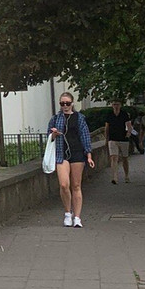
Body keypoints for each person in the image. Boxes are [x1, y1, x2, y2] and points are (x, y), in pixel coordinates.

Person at [48, 92, 94, 228]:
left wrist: (89, 155)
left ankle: (77, 217)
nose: (65, 106)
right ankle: (68, 213)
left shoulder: (79, 118)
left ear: (72, 103)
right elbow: (48, 138)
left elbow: (85, 136)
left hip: (77, 153)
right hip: (61, 153)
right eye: (62, 103)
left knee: (76, 185)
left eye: (67, 103)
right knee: (64, 184)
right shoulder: (56, 119)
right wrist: (54, 134)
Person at [104, 100, 133, 185]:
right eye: (114, 104)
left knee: (125, 158)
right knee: (114, 158)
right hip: (113, 139)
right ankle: (114, 177)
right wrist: (107, 139)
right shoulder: (109, 115)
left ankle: (126, 175)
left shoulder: (124, 114)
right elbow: (106, 127)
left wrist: (128, 134)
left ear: (120, 105)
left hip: (123, 139)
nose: (115, 106)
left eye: (117, 104)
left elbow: (129, 126)